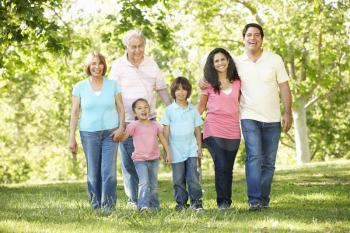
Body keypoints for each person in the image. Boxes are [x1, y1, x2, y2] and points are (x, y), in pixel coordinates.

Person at [109, 29, 171, 208]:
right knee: (129, 162)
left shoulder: (152, 64)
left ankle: (149, 200)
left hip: (148, 121)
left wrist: (172, 109)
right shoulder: (118, 66)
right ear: (126, 47)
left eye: (140, 46)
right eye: (133, 46)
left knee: (149, 159)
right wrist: (118, 122)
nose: (137, 50)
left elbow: (161, 89)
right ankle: (132, 200)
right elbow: (113, 94)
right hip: (127, 121)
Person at [237, 23, 292, 211]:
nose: (253, 38)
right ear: (243, 38)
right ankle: (254, 201)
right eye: (249, 35)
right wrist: (203, 81)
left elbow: (284, 86)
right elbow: (221, 80)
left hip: (273, 118)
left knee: (269, 161)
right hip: (248, 115)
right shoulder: (236, 63)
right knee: (254, 157)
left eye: (257, 35)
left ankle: (264, 199)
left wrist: (287, 112)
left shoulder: (275, 59)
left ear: (262, 38)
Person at [68, 52, 125, 212]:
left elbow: (121, 109)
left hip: (111, 133)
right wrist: (71, 137)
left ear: (104, 66)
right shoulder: (79, 87)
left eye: (100, 63)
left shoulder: (113, 84)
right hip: (88, 133)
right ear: (88, 66)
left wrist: (121, 128)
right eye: (93, 63)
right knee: (93, 171)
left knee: (108, 171)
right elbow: (74, 113)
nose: (97, 67)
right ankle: (96, 206)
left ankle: (108, 207)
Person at [197, 48, 241, 210]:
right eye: (216, 61)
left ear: (228, 61)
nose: (220, 63)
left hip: (233, 130)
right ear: (212, 64)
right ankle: (222, 203)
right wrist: (185, 122)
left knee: (227, 168)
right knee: (221, 164)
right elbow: (201, 107)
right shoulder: (208, 84)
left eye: (223, 59)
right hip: (213, 128)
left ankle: (226, 202)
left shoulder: (237, 82)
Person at [119, 98, 172, 212]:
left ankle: (154, 206)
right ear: (134, 113)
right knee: (144, 183)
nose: (143, 110)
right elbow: (124, 137)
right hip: (140, 160)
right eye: (139, 108)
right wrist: (118, 134)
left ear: (150, 110)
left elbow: (163, 139)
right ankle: (143, 206)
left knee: (153, 184)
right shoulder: (133, 125)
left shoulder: (156, 125)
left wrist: (168, 152)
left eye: (146, 107)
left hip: (154, 159)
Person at [160, 77, 204, 212]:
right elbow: (165, 132)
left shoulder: (193, 110)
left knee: (193, 178)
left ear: (188, 91)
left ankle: (196, 203)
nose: (181, 92)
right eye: (178, 89)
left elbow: (197, 131)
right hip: (175, 150)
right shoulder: (169, 110)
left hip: (191, 149)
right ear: (173, 92)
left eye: (184, 89)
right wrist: (166, 151)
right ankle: (181, 204)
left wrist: (199, 148)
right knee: (178, 179)